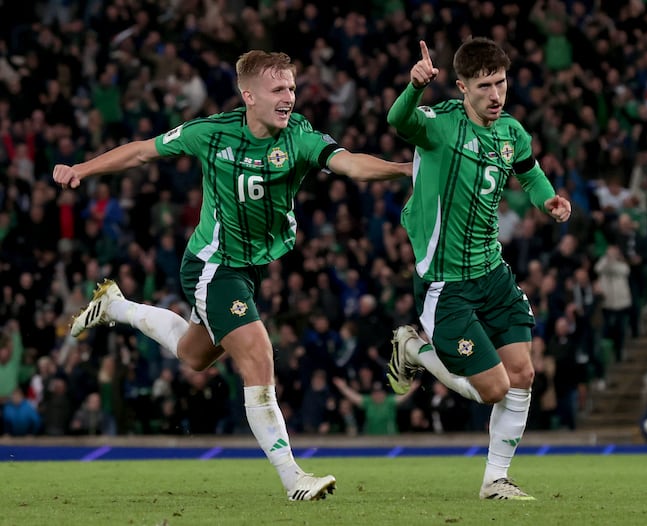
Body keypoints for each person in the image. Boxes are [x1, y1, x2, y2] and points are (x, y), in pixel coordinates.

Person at [54, 50, 411, 500]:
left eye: (292, 89)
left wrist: (403, 169)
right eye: (278, 90)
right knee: (259, 355)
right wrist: (81, 169)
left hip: (249, 270)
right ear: (249, 96)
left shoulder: (298, 137)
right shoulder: (213, 133)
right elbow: (144, 153)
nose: (289, 98)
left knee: (194, 355)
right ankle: (293, 477)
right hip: (211, 265)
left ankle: (116, 306)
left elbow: (352, 164)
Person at [385, 38, 571, 500]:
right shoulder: (438, 126)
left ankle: (495, 480)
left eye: (501, 83)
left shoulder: (510, 131)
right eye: (485, 86)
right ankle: (413, 349)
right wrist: (413, 87)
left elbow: (527, 171)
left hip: (492, 272)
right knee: (493, 388)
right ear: (462, 86)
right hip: (445, 284)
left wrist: (546, 198)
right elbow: (398, 120)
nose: (496, 95)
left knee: (523, 374)